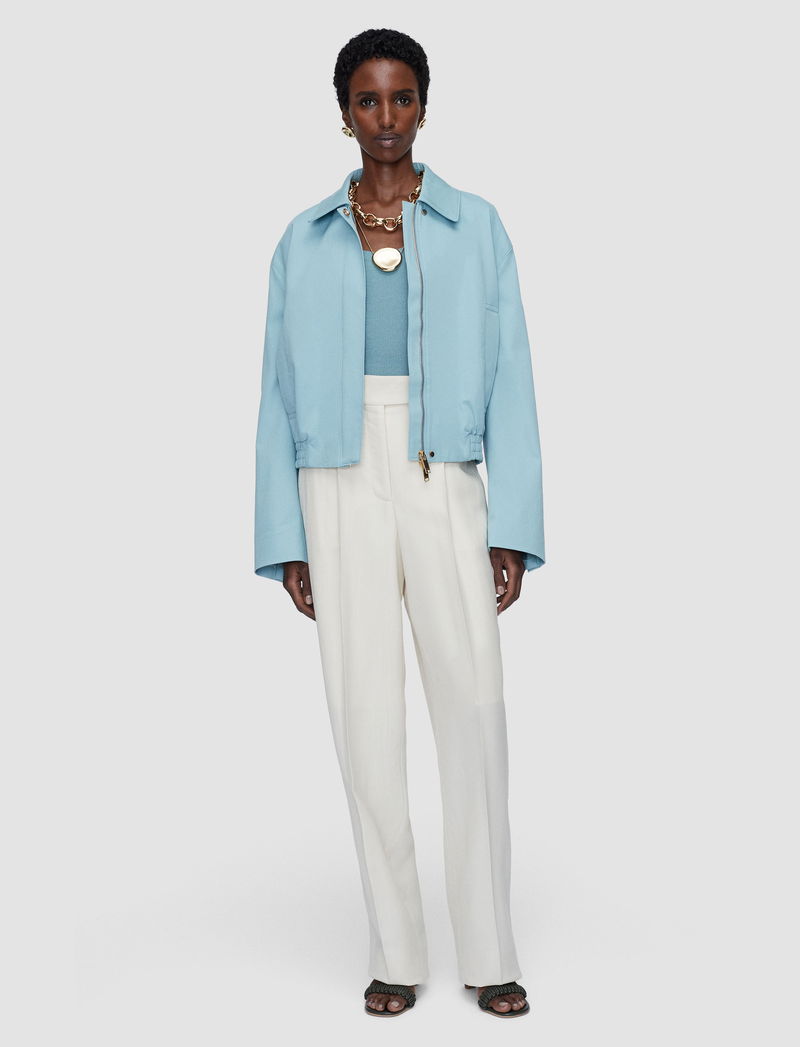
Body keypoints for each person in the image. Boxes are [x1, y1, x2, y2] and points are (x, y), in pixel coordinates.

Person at [254, 27, 545, 1018]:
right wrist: (285, 536)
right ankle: (394, 949)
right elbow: (276, 390)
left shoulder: (476, 226)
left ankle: (490, 951)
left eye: (402, 97)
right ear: (344, 112)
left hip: (443, 468)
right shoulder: (303, 240)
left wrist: (511, 522)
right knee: (363, 714)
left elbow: (512, 373)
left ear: (424, 105)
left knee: (474, 707)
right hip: (334, 476)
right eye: (368, 100)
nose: (386, 117)